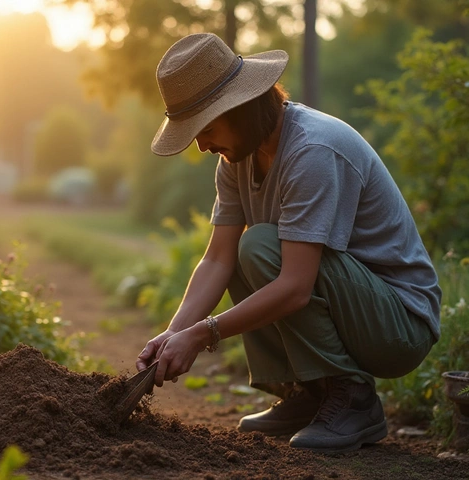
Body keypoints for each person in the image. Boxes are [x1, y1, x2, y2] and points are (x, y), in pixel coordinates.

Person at [136, 32, 441, 454]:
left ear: (242, 106)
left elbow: (297, 285)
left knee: (260, 245)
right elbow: (216, 260)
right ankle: (312, 393)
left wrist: (203, 334)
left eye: (205, 128)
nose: (202, 145)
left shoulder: (313, 149)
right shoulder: (234, 158)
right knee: (246, 251)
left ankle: (353, 397)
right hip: (352, 306)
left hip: (398, 324)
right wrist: (174, 333)